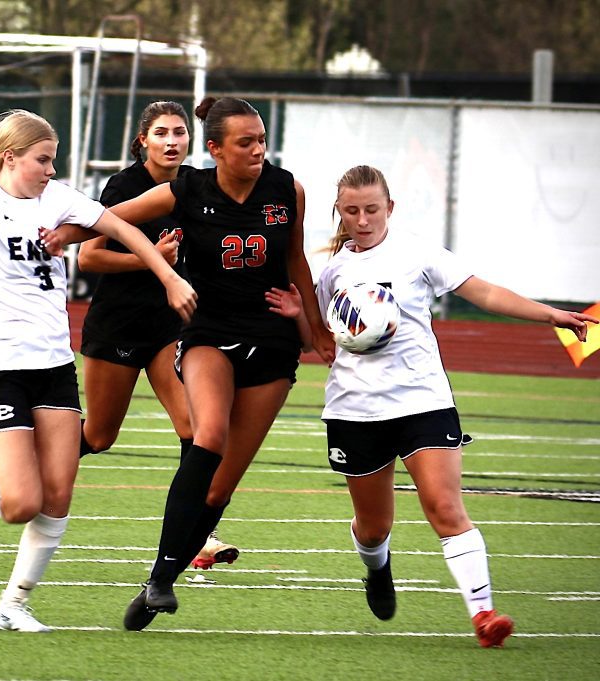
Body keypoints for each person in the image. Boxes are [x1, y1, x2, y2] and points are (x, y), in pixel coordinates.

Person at [46, 96, 335, 631]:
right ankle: (162, 579)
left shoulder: (287, 189)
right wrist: (63, 233)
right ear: (216, 149)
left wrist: (315, 327)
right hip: (207, 331)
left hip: (271, 340)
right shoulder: (188, 188)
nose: (258, 150)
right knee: (206, 436)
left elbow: (295, 259)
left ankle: (160, 579)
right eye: (246, 142)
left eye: (262, 140)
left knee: (220, 487)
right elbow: (109, 220)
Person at [281, 164, 597, 647]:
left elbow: (484, 291)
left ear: (390, 207)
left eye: (372, 209)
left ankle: (484, 614)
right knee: (373, 528)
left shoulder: (418, 253)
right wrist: (297, 317)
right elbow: (320, 344)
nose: (363, 220)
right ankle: (378, 568)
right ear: (339, 212)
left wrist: (551, 315)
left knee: (445, 508)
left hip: (423, 400)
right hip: (355, 409)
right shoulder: (332, 273)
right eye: (352, 211)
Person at [0, 109, 196, 633]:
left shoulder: (57, 198)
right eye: (43, 159)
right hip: (2, 365)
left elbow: (122, 228)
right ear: (11, 158)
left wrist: (168, 276)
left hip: (54, 363)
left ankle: (14, 605)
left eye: (53, 160)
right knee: (19, 504)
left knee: (57, 498)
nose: (51, 169)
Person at [77, 100, 237, 570]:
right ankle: (19, 461)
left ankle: (199, 536)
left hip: (171, 327)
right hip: (119, 324)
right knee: (99, 436)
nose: (172, 141)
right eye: (162, 133)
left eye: (179, 132)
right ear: (143, 140)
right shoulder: (123, 188)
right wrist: (152, 260)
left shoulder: (197, 186)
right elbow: (88, 257)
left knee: (196, 428)